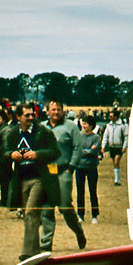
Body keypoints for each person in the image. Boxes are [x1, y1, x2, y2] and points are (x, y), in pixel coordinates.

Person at [3, 104, 84, 261]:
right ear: (18, 117)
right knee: (34, 214)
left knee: (54, 208)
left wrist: (38, 155)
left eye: (32, 114)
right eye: (27, 115)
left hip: (47, 176)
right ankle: (37, 249)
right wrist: (10, 155)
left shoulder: (47, 131)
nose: (31, 117)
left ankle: (29, 251)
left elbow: (59, 151)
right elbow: (3, 152)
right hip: (26, 177)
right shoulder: (14, 133)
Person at [39, 99, 88, 253]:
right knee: (46, 208)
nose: (56, 112)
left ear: (63, 111)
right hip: (47, 172)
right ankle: (45, 245)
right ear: (47, 111)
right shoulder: (41, 127)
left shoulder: (70, 127)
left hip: (63, 171)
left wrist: (70, 168)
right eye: (52, 110)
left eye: (58, 109)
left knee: (64, 206)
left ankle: (78, 231)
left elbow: (78, 147)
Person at [70, 114, 102, 223]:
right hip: (79, 167)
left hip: (92, 167)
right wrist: (86, 151)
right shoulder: (79, 136)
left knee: (92, 191)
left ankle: (94, 215)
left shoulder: (96, 137)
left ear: (91, 125)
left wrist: (85, 151)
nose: (83, 125)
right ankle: (80, 215)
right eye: (83, 123)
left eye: (85, 123)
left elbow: (93, 151)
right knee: (80, 191)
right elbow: (76, 149)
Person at [101, 109, 128, 186]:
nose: (109, 117)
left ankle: (117, 180)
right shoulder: (109, 125)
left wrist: (124, 146)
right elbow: (105, 136)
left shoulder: (122, 125)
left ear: (116, 117)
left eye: (111, 116)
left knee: (116, 161)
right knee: (115, 163)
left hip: (119, 146)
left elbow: (126, 136)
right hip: (112, 146)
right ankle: (117, 179)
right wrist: (103, 146)